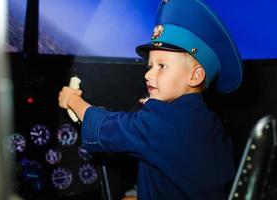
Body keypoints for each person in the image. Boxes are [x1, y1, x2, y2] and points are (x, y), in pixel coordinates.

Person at [58, 0, 243, 199]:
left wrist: (72, 100)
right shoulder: (211, 124)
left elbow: (107, 128)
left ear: (195, 76)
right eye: (150, 66)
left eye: (162, 66)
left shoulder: (162, 121)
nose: (148, 75)